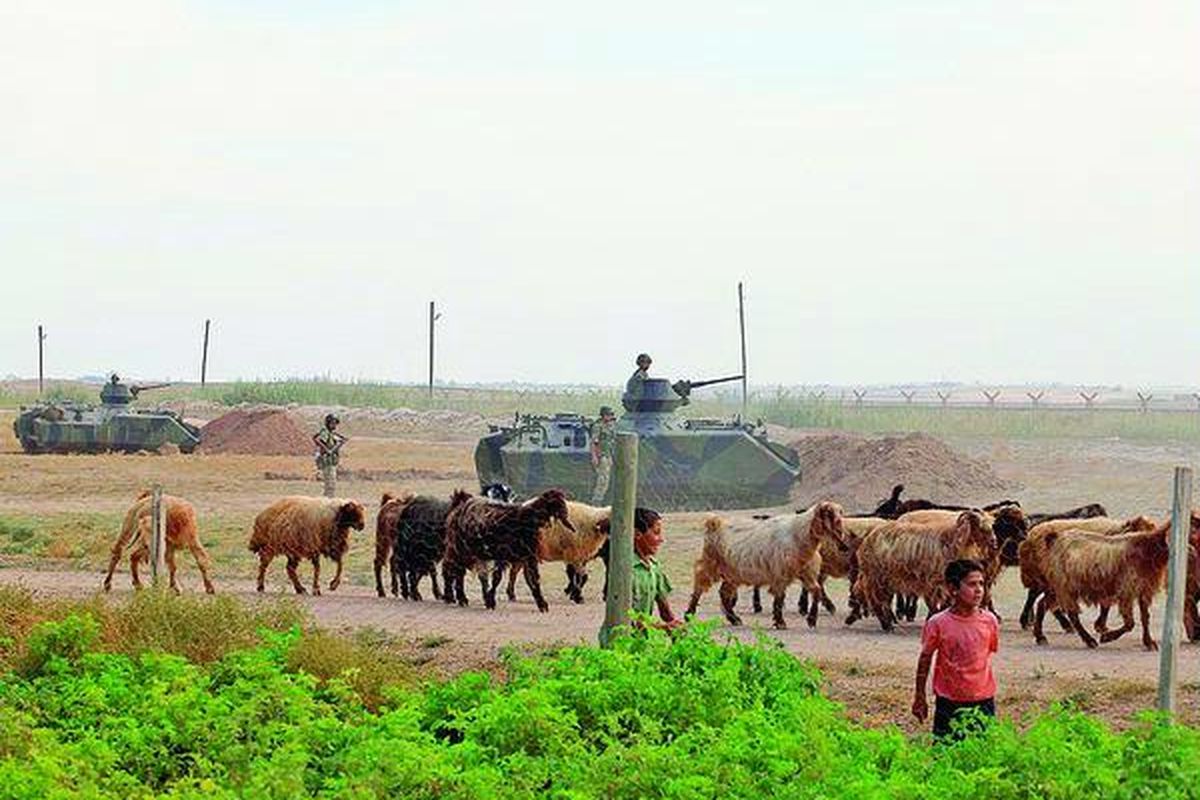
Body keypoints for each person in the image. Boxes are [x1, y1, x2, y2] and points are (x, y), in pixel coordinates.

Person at [912, 559, 999, 741]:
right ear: (953, 588)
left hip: (983, 701)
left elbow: (985, 655)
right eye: (971, 584)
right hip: (949, 702)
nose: (978, 590)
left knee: (983, 752)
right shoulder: (938, 623)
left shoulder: (990, 621)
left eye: (981, 584)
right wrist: (920, 696)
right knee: (946, 752)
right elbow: (925, 658)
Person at [630, 508, 681, 630]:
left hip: (642, 638)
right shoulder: (625, 570)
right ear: (637, 534)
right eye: (656, 533)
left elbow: (665, 611)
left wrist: (676, 626)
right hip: (620, 641)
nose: (661, 539)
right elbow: (625, 618)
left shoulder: (654, 566)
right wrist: (661, 627)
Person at [313, 414, 346, 498]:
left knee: (332, 484)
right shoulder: (325, 432)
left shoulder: (331, 433)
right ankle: (326, 502)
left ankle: (328, 500)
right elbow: (318, 440)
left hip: (331, 462)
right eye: (333, 423)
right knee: (330, 485)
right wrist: (328, 450)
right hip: (327, 462)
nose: (335, 425)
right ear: (328, 423)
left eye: (335, 423)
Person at [589, 405, 617, 504]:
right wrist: (594, 457)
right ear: (603, 415)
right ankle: (596, 502)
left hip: (610, 455)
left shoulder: (611, 426)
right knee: (602, 481)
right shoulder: (598, 426)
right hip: (602, 456)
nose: (610, 417)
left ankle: (601, 501)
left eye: (611, 415)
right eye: (609, 415)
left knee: (607, 480)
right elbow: (594, 442)